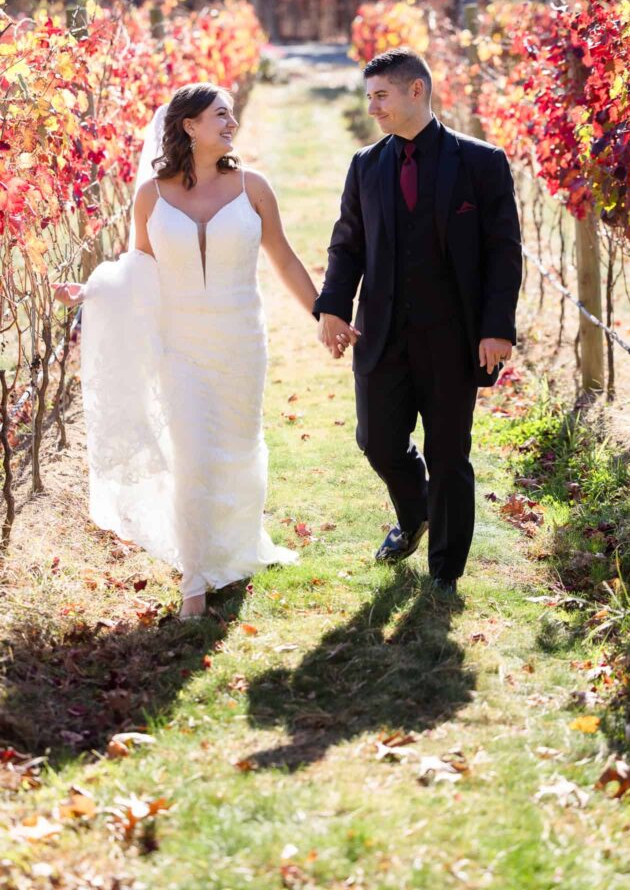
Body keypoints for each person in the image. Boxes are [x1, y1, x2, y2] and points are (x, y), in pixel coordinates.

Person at [54, 82, 323, 619]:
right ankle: (195, 579)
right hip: (180, 346)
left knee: (237, 450)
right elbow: (139, 269)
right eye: (220, 115)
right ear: (189, 126)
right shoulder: (151, 196)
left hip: (241, 341)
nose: (231, 123)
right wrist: (91, 291)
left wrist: (325, 315)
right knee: (193, 457)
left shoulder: (252, 187)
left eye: (231, 115)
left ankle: (236, 549)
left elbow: (285, 258)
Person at [314, 48, 522, 597]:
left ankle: (444, 573)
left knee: (449, 454)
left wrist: (497, 327)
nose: (373, 108)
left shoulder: (480, 162)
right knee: (377, 441)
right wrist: (333, 307)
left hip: (454, 337)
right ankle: (416, 513)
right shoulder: (366, 165)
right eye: (368, 98)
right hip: (381, 332)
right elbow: (347, 244)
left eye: (381, 96)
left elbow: (503, 250)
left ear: (416, 90)